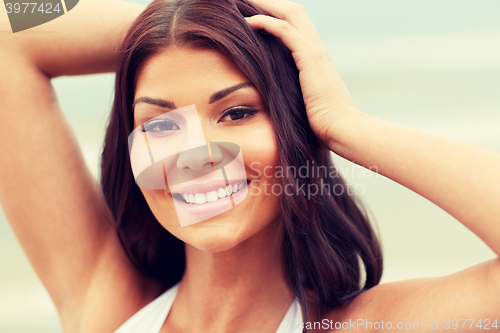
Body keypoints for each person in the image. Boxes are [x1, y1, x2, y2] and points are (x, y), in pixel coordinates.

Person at [0, 0, 499, 332]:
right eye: (160, 125)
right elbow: (10, 22)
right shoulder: (109, 307)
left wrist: (343, 123)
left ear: (293, 129)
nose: (195, 154)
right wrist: (190, 13)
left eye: (237, 112)